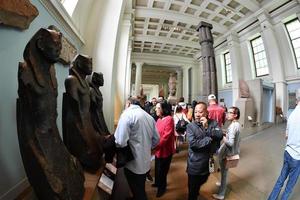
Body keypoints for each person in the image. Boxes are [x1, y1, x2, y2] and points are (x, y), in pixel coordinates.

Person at [114, 96, 160, 200]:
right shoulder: (149, 117)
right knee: (140, 187)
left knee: (138, 191)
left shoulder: (127, 114)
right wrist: (147, 147)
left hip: (132, 162)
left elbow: (120, 141)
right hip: (145, 161)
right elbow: (157, 139)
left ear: (128, 104)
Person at [186, 102, 223, 200]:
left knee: (204, 179)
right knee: (192, 190)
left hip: (208, 162)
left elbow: (219, 135)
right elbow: (194, 144)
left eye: (200, 112)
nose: (197, 114)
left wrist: (207, 128)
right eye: (196, 112)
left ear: (206, 113)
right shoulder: (190, 127)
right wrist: (210, 139)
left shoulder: (213, 123)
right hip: (195, 164)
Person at [268, 89, 300, 200]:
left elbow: (286, 135)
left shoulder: (291, 114)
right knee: (289, 187)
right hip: (297, 156)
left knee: (280, 180)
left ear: (296, 101)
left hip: (287, 152)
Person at [212, 107, 241, 200]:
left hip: (227, 152)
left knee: (224, 173)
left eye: (230, 113)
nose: (227, 114)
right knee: (224, 171)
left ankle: (221, 194)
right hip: (233, 151)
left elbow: (230, 142)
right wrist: (226, 133)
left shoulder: (233, 126)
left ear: (235, 115)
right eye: (227, 112)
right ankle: (221, 182)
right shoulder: (237, 124)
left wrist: (223, 136)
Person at [153, 101, 176, 197]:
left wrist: (155, 146)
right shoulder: (158, 119)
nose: (156, 109)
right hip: (158, 149)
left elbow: (166, 136)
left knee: (163, 170)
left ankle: (162, 188)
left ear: (164, 109)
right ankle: (158, 183)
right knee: (157, 168)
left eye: (158, 108)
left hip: (165, 149)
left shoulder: (169, 119)